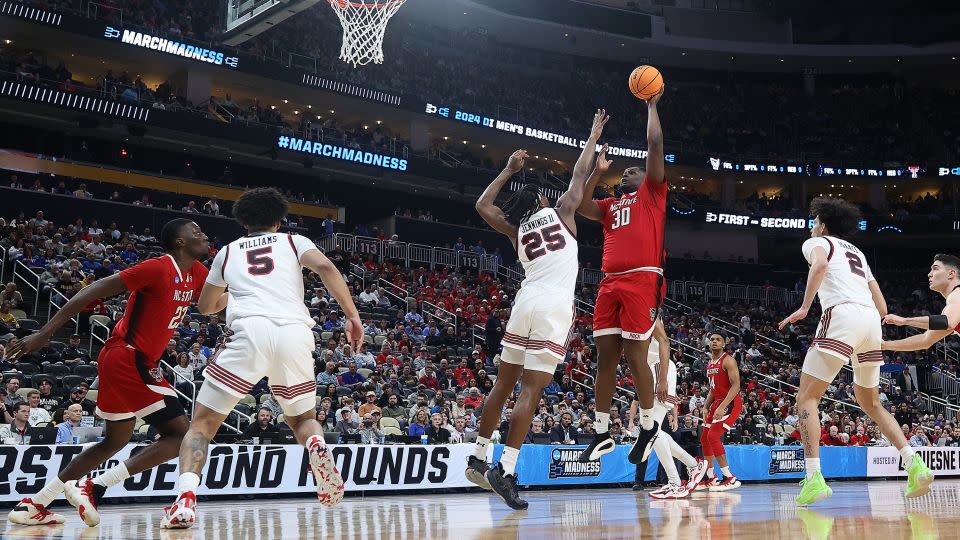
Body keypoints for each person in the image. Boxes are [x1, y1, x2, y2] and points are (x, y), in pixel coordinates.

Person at [162, 188, 363, 529]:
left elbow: (205, 307)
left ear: (242, 221)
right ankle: (315, 443)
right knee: (302, 420)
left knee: (202, 425)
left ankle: (185, 500)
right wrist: (352, 315)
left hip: (249, 333)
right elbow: (327, 267)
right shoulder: (293, 241)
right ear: (280, 219)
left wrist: (238, 294)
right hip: (294, 333)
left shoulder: (226, 253)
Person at [7, 218, 209, 527]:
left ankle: (34, 504)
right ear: (179, 242)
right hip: (129, 357)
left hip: (126, 360)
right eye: (195, 232)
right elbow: (95, 290)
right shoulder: (157, 267)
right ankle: (94, 486)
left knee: (113, 442)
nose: (203, 235)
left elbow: (217, 301)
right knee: (182, 435)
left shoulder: (196, 272)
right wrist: (46, 333)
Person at [464, 111, 601, 511]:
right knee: (531, 390)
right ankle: (504, 469)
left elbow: (481, 204)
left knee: (502, 385)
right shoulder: (562, 213)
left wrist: (507, 169)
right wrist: (592, 135)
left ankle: (477, 457)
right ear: (542, 200)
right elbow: (579, 172)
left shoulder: (517, 229)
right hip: (553, 304)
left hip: (524, 301)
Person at [778, 197, 932, 506]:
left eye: (814, 222)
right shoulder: (857, 252)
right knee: (871, 402)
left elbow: (820, 265)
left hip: (842, 316)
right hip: (871, 322)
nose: (811, 227)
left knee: (806, 397)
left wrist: (805, 307)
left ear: (822, 223)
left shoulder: (818, 243)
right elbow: (882, 304)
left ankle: (813, 478)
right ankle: (913, 462)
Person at [575, 90, 666, 464]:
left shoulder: (653, 194)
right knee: (605, 357)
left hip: (642, 279)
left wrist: (651, 105)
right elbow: (580, 204)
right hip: (610, 282)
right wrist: (596, 172)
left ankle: (647, 425)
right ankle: (600, 433)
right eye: (624, 170)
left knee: (635, 355)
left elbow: (655, 142)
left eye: (634, 168)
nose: (627, 170)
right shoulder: (611, 206)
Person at [639, 319, 708, 499]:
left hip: (658, 368)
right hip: (649, 369)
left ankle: (676, 483)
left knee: (650, 429)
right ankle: (693, 465)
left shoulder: (647, 307)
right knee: (651, 430)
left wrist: (662, 378)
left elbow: (664, 341)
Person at [693, 332, 742, 492]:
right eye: (712, 339)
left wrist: (722, 407)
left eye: (718, 340)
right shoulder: (710, 363)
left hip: (730, 402)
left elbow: (736, 386)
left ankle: (730, 477)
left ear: (724, 343)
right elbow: (713, 390)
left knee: (713, 436)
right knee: (704, 438)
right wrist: (706, 406)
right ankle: (711, 477)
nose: (714, 342)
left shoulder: (728, 360)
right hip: (717, 402)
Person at [882, 253, 960, 353]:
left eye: (935, 268)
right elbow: (925, 340)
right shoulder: (953, 309)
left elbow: (947, 322)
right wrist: (884, 345)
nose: (929, 274)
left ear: (951, 274)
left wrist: (905, 321)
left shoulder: (957, 294)